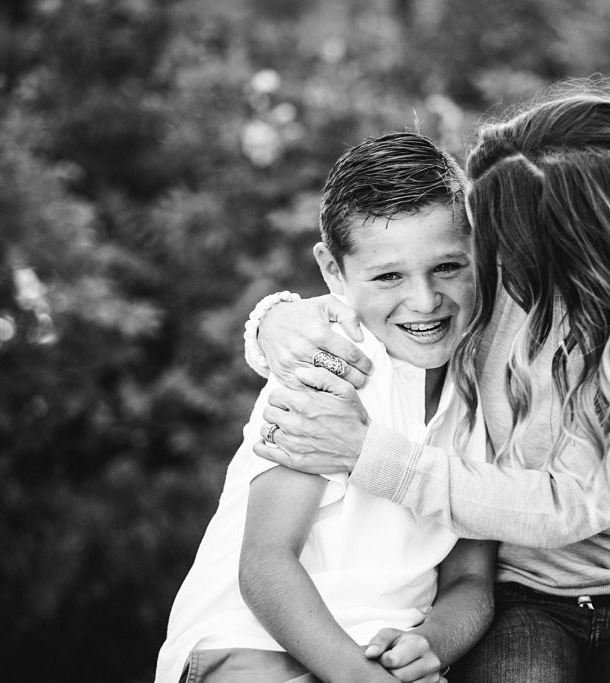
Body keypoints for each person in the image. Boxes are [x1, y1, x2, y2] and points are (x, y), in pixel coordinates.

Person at [246, 84, 610, 682]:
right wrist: (277, 322)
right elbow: (397, 296)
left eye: (515, 243)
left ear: (593, 246)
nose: (497, 259)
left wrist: (369, 455)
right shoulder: (510, 276)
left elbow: (570, 505)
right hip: (528, 595)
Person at [156, 132, 495, 683]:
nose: (425, 300)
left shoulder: (491, 386)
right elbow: (266, 565)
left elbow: (470, 579)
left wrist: (431, 644)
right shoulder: (330, 366)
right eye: (388, 276)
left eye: (448, 267)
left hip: (385, 653)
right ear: (333, 271)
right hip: (253, 643)